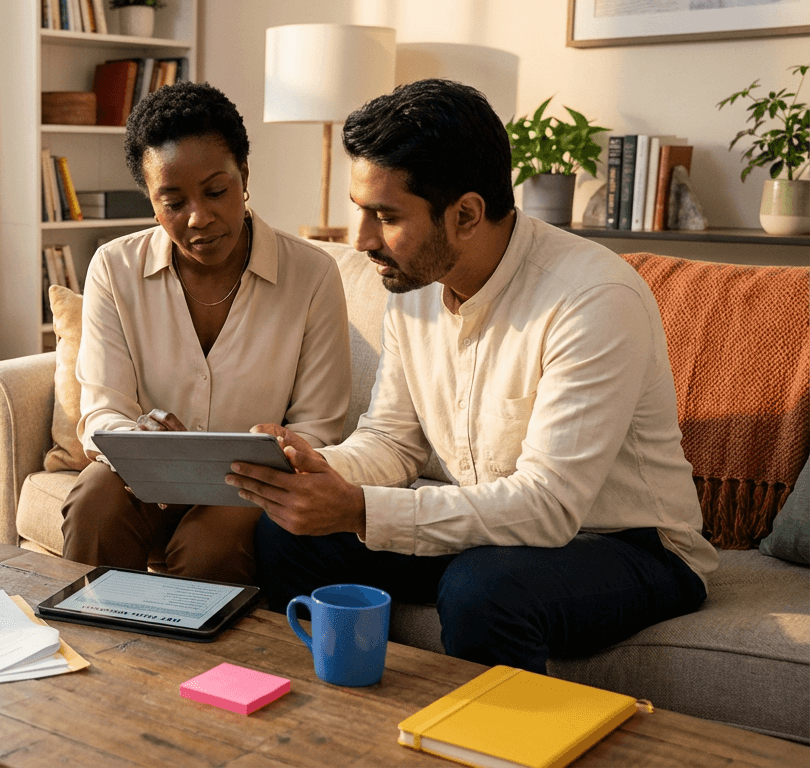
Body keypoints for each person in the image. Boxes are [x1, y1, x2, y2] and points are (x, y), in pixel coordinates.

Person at [227, 79, 718, 673]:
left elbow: (548, 506)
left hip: (629, 544)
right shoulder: (413, 289)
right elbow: (393, 440)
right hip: (490, 528)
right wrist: (317, 470)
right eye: (361, 211)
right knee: (288, 536)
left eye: (385, 216)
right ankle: (325, 726)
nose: (361, 242)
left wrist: (358, 510)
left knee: (483, 591)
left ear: (465, 214)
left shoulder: (592, 298)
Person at [61, 81, 353, 585]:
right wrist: (142, 442)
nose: (199, 217)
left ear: (244, 176)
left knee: (209, 545)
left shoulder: (312, 274)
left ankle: (200, 667)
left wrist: (283, 448)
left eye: (216, 191)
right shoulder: (114, 267)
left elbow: (320, 426)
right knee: (93, 502)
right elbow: (103, 408)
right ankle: (98, 652)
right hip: (143, 473)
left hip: (251, 483)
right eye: (172, 201)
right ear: (151, 202)